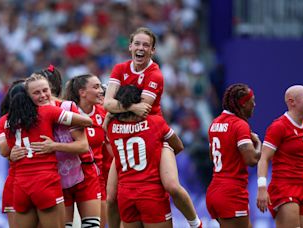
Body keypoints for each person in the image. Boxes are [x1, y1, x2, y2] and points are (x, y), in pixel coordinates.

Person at [103, 27, 201, 228]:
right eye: (137, 43)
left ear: (153, 50)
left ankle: (195, 223)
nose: (141, 48)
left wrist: (114, 113)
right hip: (126, 134)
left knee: (172, 186)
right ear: (130, 46)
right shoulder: (120, 69)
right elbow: (107, 103)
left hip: (154, 134)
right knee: (111, 196)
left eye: (146, 45)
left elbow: (144, 110)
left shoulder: (155, 74)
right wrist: (129, 107)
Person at [2, 76, 93, 228]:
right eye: (37, 92)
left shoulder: (7, 121)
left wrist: (12, 152)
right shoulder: (47, 111)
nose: (43, 95)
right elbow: (87, 121)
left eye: (45, 90)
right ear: (28, 96)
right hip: (45, 182)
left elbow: (4, 150)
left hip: (20, 185)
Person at [107, 85, 184, 228]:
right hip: (151, 194)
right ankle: (194, 222)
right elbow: (178, 146)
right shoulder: (155, 122)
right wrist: (161, 161)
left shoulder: (111, 126)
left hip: (125, 196)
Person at [206, 83, 261, 228]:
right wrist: (258, 143)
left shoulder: (214, 123)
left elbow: (213, 158)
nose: (254, 105)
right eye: (252, 101)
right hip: (232, 193)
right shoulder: (240, 125)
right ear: (243, 104)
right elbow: (252, 160)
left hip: (214, 191)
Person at [257, 85, 303, 228]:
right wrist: (262, 187)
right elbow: (264, 158)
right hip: (284, 188)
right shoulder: (279, 126)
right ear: (292, 101)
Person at [64, 74, 108, 227]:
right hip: (68, 176)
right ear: (82, 92)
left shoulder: (104, 113)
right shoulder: (67, 112)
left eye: (101, 86)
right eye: (96, 87)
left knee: (96, 225)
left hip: (95, 177)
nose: (101, 90)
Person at [0, 79, 25, 228]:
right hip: (18, 181)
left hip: (41, 180)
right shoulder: (6, 121)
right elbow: (3, 150)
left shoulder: (44, 114)